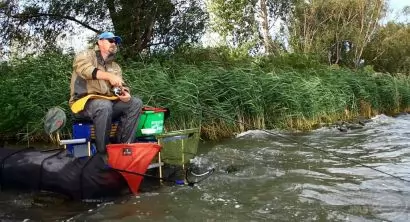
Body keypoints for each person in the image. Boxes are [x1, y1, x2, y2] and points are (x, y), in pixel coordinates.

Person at [69, 31, 143, 155]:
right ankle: (102, 152)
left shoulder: (115, 66)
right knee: (104, 105)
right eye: (111, 40)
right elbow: (85, 70)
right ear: (100, 42)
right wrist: (108, 76)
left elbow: (118, 87)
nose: (114, 44)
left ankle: (123, 148)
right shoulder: (86, 55)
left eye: (116, 42)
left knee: (135, 102)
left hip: (107, 103)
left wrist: (123, 93)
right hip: (82, 103)